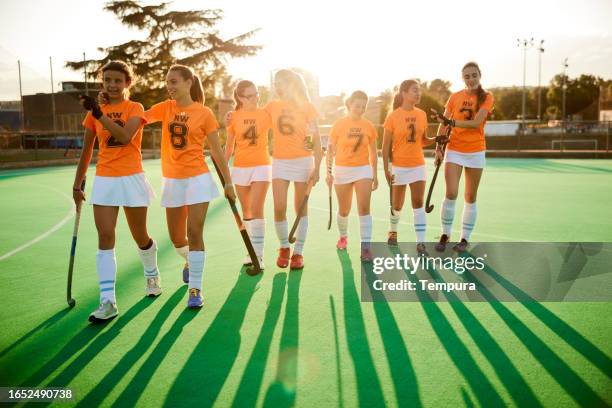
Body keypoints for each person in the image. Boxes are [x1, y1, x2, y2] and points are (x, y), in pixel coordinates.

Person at [74, 60, 159, 322]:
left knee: (140, 236)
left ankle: (151, 274)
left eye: (118, 80)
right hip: (105, 179)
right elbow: (87, 150)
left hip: (132, 178)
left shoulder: (135, 107)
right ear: (103, 82)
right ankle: (107, 301)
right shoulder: (94, 113)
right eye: (108, 80)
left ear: (127, 83)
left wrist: (100, 113)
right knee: (106, 234)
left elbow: (125, 137)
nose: (112, 85)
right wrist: (78, 183)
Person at [144, 64, 235, 308]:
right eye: (167, 81)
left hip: (197, 179)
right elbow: (139, 117)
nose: (169, 86)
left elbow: (216, 151)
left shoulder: (204, 113)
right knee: (176, 238)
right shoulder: (165, 108)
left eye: (173, 81)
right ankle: (188, 259)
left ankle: (195, 288)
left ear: (188, 83)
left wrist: (228, 182)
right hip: (173, 181)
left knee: (194, 232)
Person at [432, 62, 494, 252]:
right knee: (451, 193)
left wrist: (452, 122)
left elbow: (476, 123)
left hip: (476, 151)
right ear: (462, 78)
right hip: (455, 149)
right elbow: (443, 124)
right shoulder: (454, 97)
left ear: (479, 76)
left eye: (474, 75)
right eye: (467, 76)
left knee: (470, 196)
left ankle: (464, 238)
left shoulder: (487, 97)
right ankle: (445, 234)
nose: (470, 79)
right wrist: (438, 148)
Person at [265, 69, 322, 269]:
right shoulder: (272, 106)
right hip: (280, 161)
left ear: (291, 84)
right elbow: (255, 119)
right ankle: (284, 247)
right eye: (275, 83)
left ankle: (298, 253)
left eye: (281, 82)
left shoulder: (307, 107)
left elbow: (316, 140)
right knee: (279, 207)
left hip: (303, 162)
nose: (277, 87)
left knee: (300, 209)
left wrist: (317, 168)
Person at [382, 79, 437, 255]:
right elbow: (384, 148)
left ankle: (421, 243)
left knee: (418, 203)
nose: (418, 93)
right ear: (404, 93)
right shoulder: (392, 116)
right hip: (399, 166)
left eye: (419, 90)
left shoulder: (422, 114)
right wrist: (386, 170)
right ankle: (393, 230)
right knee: (397, 205)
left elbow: (423, 141)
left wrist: (438, 139)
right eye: (415, 90)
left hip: (418, 166)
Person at [326, 91, 378, 261]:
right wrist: (328, 172)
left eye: (364, 106)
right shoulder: (339, 125)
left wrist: (374, 175)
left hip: (363, 169)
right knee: (344, 210)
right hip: (342, 170)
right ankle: (343, 236)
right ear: (349, 104)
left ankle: (366, 247)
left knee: (364, 209)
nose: (361, 109)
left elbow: (373, 153)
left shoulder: (369, 126)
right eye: (357, 105)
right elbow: (330, 151)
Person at [224, 80, 271, 268]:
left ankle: (258, 255)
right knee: (247, 212)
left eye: (257, 93)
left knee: (258, 209)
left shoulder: (266, 114)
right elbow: (229, 145)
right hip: (241, 167)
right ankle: (250, 250)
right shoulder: (233, 117)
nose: (256, 98)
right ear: (241, 98)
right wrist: (223, 166)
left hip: (262, 165)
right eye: (251, 96)